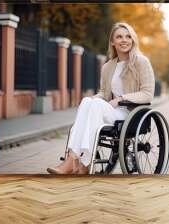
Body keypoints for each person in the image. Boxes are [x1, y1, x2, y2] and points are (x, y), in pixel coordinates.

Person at [47, 22, 155, 174]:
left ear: (133, 40)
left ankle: (77, 162)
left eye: (128, 36)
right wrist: (92, 99)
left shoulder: (141, 62)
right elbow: (104, 93)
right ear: (112, 42)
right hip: (111, 110)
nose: (124, 40)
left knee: (96, 104)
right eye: (119, 37)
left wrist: (121, 98)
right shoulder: (107, 66)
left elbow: (147, 93)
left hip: (130, 113)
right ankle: (79, 162)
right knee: (88, 101)